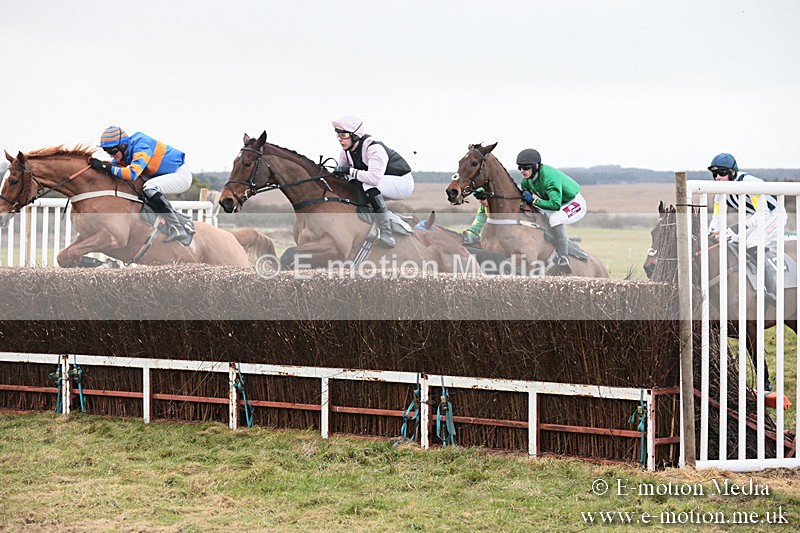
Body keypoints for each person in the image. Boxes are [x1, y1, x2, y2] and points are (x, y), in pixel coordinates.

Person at [88, 126, 195, 245]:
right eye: (107, 151)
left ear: (122, 146)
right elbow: (114, 167)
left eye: (112, 151)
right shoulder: (126, 151)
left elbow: (132, 173)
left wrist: (104, 167)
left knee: (149, 187)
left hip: (180, 175)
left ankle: (177, 228)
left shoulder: (141, 145)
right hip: (161, 175)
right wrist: (99, 165)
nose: (111, 155)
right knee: (138, 187)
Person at [332, 114, 414, 248]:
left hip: (402, 183)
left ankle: (387, 234)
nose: (340, 139)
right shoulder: (346, 152)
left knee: (367, 183)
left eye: (344, 135)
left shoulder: (373, 149)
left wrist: (348, 171)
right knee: (351, 184)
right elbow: (341, 176)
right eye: (338, 135)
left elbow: (373, 178)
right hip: (383, 182)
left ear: (355, 135)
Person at [517, 148, 586, 273]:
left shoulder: (549, 177)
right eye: (520, 168)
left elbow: (555, 205)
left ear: (536, 165)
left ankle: (563, 257)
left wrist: (533, 200)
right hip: (555, 203)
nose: (522, 171)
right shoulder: (526, 181)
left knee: (555, 218)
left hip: (573, 203)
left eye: (526, 167)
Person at [707, 153, 783, 247]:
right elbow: (717, 218)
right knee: (731, 239)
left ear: (733, 172)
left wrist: (738, 227)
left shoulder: (749, 183)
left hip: (774, 215)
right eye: (715, 174)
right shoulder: (719, 194)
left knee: (752, 241)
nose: (717, 178)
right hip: (754, 216)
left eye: (722, 173)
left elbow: (764, 214)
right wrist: (711, 233)